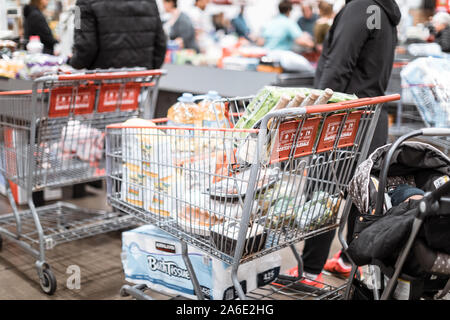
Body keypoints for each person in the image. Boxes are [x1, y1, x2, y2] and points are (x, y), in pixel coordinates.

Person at [294, 0, 402, 288]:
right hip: (372, 114)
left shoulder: (361, 8)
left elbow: (338, 65)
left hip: (345, 116)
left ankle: (309, 272)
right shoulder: (382, 12)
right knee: (361, 194)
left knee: (323, 191)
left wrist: (317, 111)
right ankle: (346, 260)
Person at [69, 0, 167, 70]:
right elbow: (161, 43)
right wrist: (148, 70)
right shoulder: (151, 2)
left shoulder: (80, 6)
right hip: (139, 83)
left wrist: (72, 62)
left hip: (102, 83)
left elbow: (84, 46)